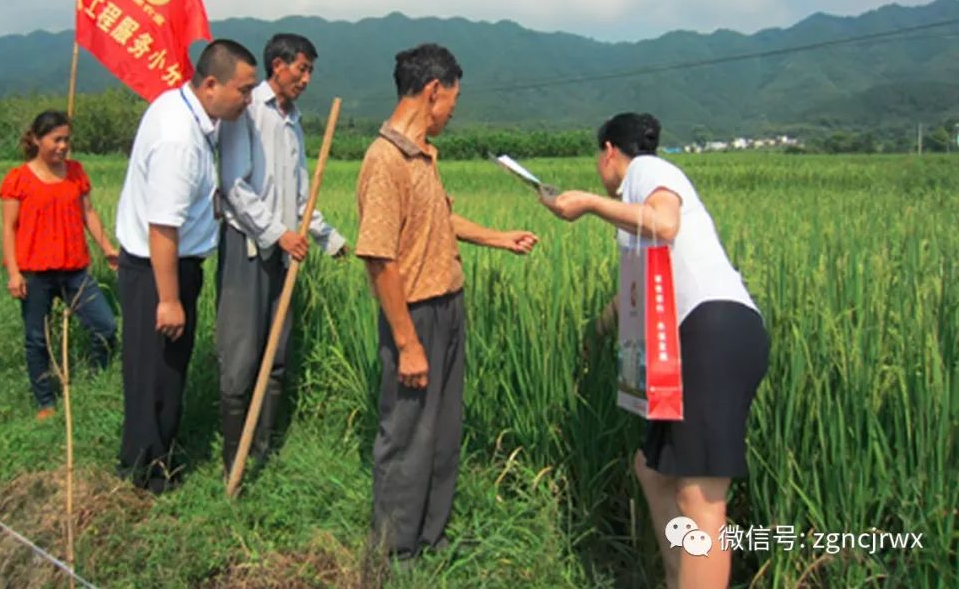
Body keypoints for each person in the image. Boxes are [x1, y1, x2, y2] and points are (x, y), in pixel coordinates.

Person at [541, 112, 769, 589]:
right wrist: (596, 332)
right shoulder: (632, 213)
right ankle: (678, 577)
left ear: (608, 152)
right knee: (652, 470)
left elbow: (665, 225)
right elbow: (635, 291)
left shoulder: (645, 172)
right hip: (692, 341)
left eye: (597, 162)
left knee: (701, 498)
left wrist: (585, 202)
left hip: (712, 331)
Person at [355, 43, 539, 559]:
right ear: (433, 90)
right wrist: (407, 342)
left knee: (441, 433)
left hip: (447, 305)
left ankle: (431, 536)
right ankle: (394, 552)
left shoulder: (423, 156)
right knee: (407, 435)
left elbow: (440, 222)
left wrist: (499, 237)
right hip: (414, 314)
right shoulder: (385, 159)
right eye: (452, 101)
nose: (452, 112)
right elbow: (379, 257)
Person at [114, 39, 258, 494]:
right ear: (211, 84)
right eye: (244, 90)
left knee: (163, 372)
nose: (249, 100)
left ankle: (154, 461)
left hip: (165, 267)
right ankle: (145, 477)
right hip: (159, 272)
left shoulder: (185, 112)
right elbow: (163, 227)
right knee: (155, 376)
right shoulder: (180, 139)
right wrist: (170, 299)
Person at [216, 33, 347, 472]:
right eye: (301, 69)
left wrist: (331, 240)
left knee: (277, 355)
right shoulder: (247, 111)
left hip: (284, 251)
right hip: (248, 247)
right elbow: (235, 186)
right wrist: (278, 233)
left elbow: (301, 195)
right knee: (240, 355)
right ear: (278, 65)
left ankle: (263, 452)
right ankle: (233, 459)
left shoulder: (292, 120)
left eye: (310, 71)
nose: (306, 79)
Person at [0, 110, 119, 420]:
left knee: (105, 326)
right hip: (35, 272)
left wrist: (106, 247)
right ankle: (45, 402)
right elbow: (8, 229)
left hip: (74, 269)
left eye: (67, 139)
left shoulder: (76, 172)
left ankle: (96, 383)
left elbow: (88, 213)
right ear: (37, 140)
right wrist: (14, 273)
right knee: (37, 338)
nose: (63, 146)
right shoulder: (18, 179)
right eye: (56, 140)